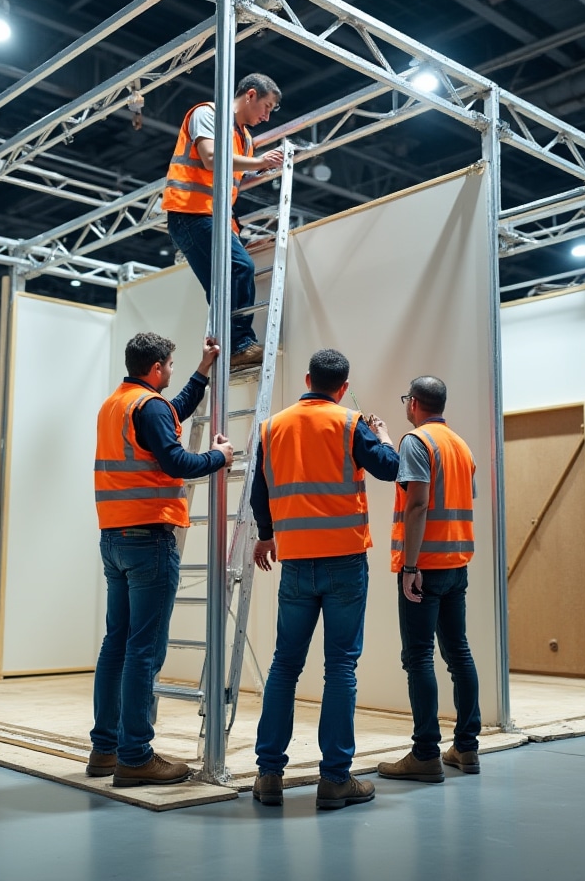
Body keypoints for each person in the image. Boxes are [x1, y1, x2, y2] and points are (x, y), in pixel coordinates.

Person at [250, 349, 399, 811]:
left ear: (307, 379)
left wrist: (266, 536)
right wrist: (384, 435)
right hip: (344, 562)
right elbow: (391, 468)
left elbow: (259, 491)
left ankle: (268, 775)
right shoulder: (350, 423)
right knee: (340, 668)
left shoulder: (272, 427)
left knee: (284, 665)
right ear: (343, 386)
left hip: (295, 561)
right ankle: (335, 779)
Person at [87, 332, 234, 787]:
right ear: (156, 369)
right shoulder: (148, 407)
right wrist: (218, 457)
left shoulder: (118, 404)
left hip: (115, 538)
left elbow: (171, 415)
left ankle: (105, 749)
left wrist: (202, 370)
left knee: (117, 644)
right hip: (148, 539)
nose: (171, 371)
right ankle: (135, 756)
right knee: (143, 650)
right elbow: (175, 461)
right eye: (170, 365)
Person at [377, 376, 481, 784]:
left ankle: (425, 754)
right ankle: (466, 748)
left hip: (424, 567)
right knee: (459, 654)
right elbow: (460, 499)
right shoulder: (460, 445)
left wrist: (410, 566)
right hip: (456, 564)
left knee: (419, 657)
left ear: (414, 403)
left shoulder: (417, 442)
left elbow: (418, 503)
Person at [162, 73, 284, 370]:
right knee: (240, 268)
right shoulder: (209, 114)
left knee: (222, 288)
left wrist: (259, 168)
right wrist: (260, 162)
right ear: (250, 94)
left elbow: (232, 174)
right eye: (266, 107)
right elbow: (211, 157)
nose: (266, 117)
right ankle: (239, 345)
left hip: (213, 218)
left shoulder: (245, 139)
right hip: (191, 213)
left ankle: (228, 345)